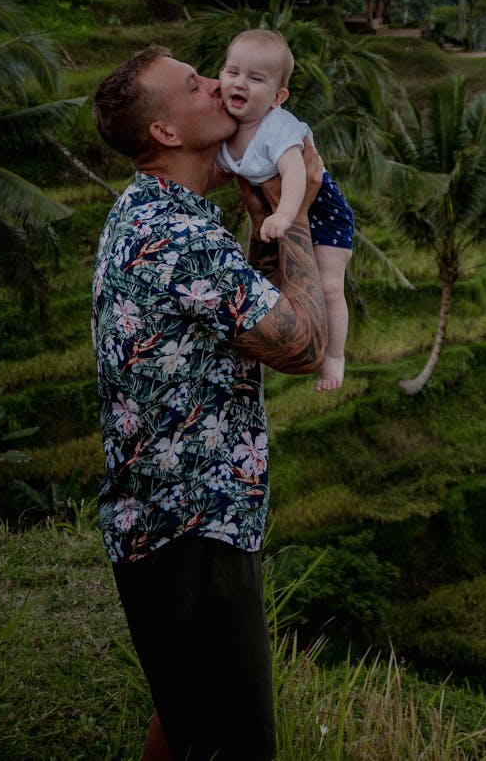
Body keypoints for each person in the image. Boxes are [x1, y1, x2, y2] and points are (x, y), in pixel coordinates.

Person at [91, 44, 328, 761]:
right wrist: (300, 211)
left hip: (168, 526)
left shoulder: (154, 215)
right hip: (192, 531)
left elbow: (249, 320)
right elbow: (304, 342)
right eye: (196, 83)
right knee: (230, 744)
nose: (222, 85)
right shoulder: (179, 235)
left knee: (185, 723)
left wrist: (262, 215)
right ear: (164, 132)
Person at [216, 29, 354, 393]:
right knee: (278, 290)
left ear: (278, 97)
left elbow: (297, 172)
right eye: (232, 72)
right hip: (281, 212)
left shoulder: (276, 127)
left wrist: (287, 215)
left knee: (327, 287)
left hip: (322, 211)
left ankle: (335, 355)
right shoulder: (227, 128)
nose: (240, 83)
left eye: (255, 78)